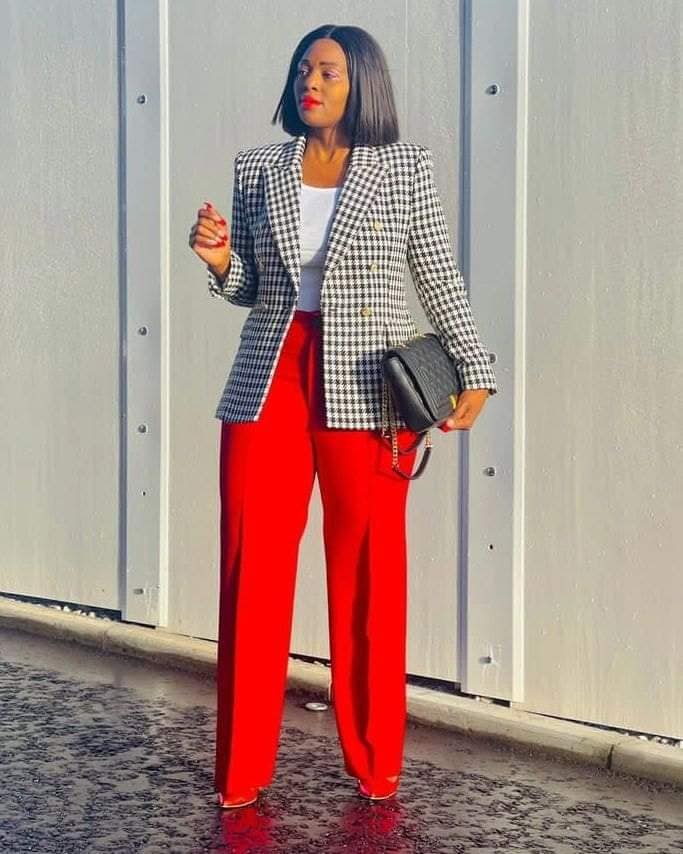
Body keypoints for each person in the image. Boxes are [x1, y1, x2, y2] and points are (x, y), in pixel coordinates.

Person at [189, 23, 497, 809]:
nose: (310, 82)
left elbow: (436, 272)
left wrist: (475, 368)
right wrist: (220, 260)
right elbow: (253, 287)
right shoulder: (257, 167)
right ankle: (240, 769)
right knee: (251, 567)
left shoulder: (402, 167)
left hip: (367, 384)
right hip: (269, 377)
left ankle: (374, 761)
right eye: (303, 69)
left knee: (368, 574)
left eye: (327, 70)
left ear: (361, 80)